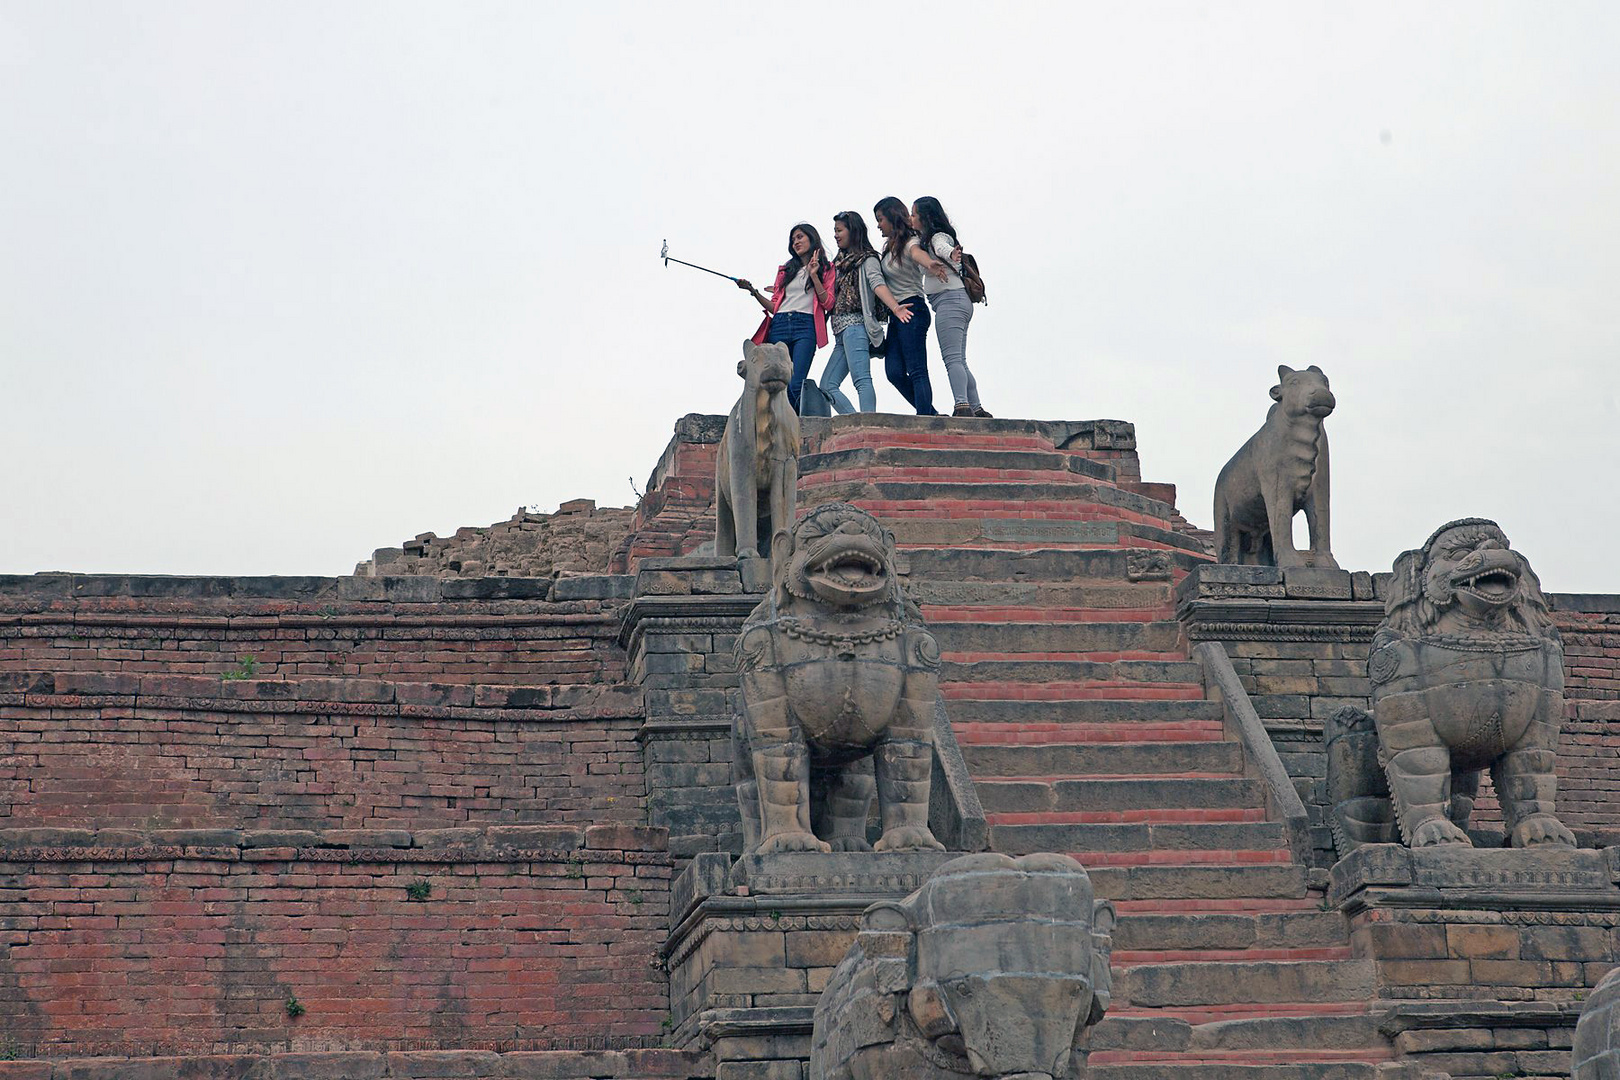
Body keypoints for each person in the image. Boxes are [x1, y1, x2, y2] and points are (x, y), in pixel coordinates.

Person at [821, 211, 912, 414]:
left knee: (861, 379)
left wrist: (895, 307)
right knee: (827, 385)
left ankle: (868, 421)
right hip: (840, 332)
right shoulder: (837, 264)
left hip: (856, 327)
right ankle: (855, 421)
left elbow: (877, 284)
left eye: (839, 230)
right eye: (834, 231)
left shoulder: (867, 259)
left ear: (852, 231)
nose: (835, 235)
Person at [738, 224, 836, 413]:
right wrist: (754, 292)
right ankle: (782, 424)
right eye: (793, 239)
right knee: (779, 382)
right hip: (780, 324)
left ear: (811, 238)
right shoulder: (786, 270)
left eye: (800, 237)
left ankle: (796, 426)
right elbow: (775, 307)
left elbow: (828, 303)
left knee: (796, 383)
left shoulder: (827, 268)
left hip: (806, 326)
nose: (796, 242)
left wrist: (814, 276)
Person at [911, 197, 989, 417]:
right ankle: (977, 407)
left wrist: (950, 254)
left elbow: (942, 247)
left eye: (914, 214)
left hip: (949, 301)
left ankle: (962, 405)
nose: (911, 218)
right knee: (960, 360)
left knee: (952, 359)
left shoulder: (938, 237)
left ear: (925, 217)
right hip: (957, 301)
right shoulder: (927, 239)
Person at [871, 196, 935, 415]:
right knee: (894, 372)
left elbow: (917, 254)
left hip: (912, 309)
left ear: (892, 217)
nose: (878, 224)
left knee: (916, 369)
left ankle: (926, 419)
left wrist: (930, 263)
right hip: (897, 313)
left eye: (880, 219)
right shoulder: (889, 247)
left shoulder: (910, 242)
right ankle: (931, 413)